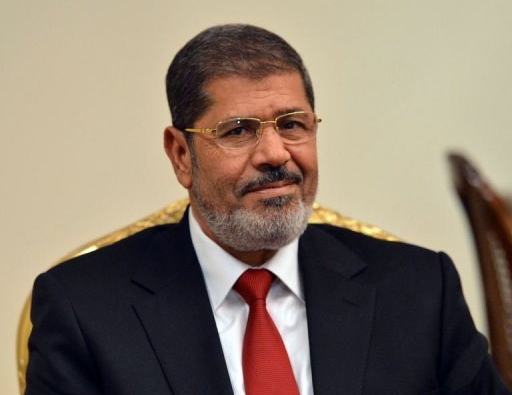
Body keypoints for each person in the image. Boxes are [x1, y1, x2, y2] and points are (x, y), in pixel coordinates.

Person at [26, 24, 510, 395]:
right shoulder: (85, 310)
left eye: (293, 124)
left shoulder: (419, 290)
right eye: (238, 131)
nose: (275, 154)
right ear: (180, 155)